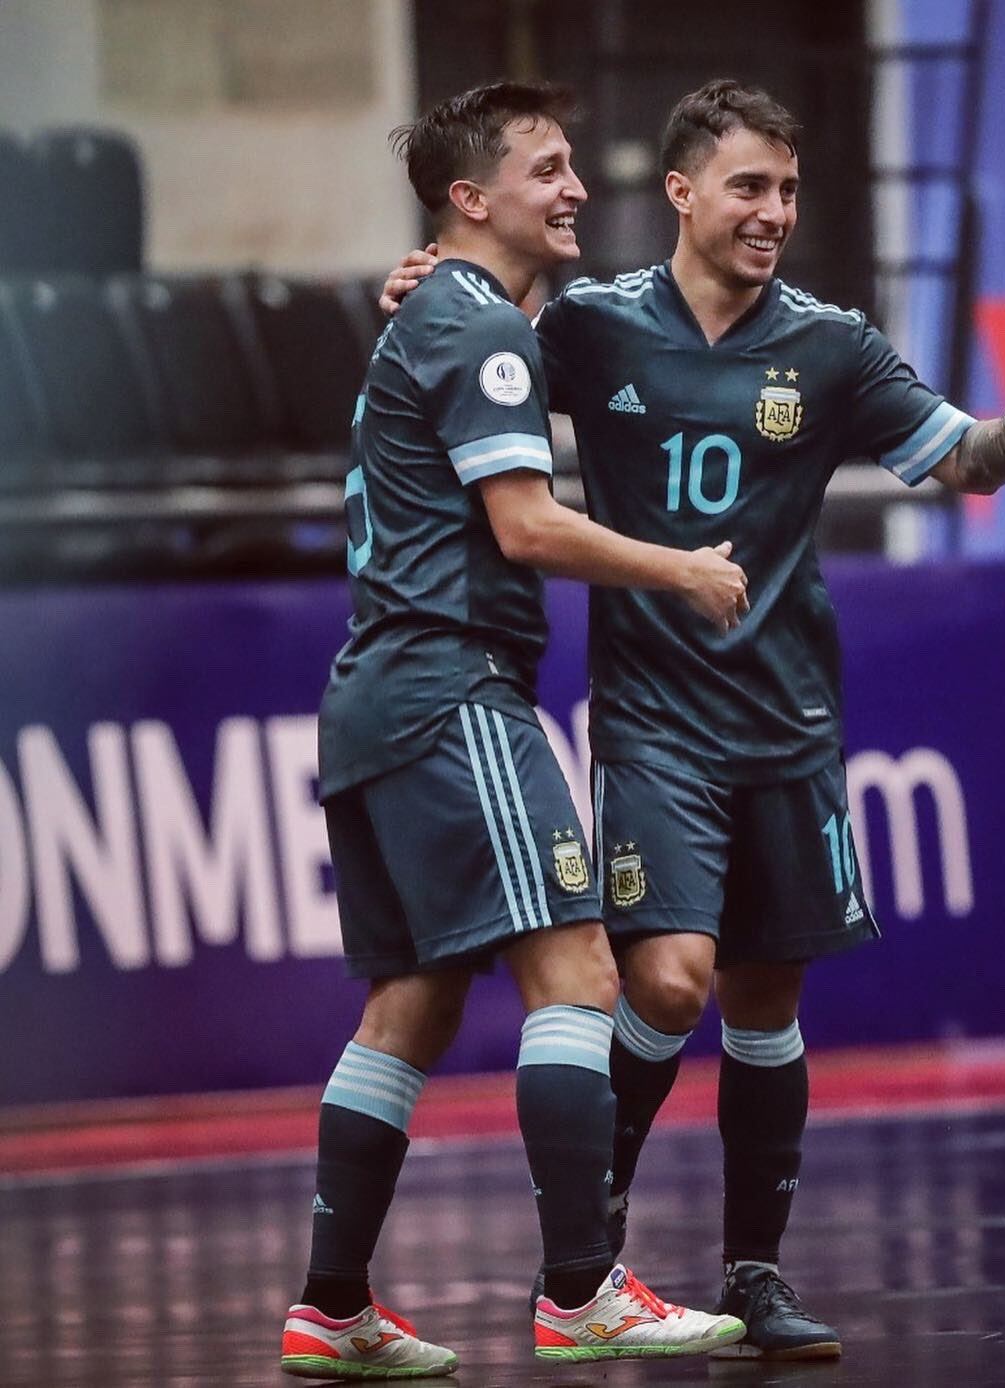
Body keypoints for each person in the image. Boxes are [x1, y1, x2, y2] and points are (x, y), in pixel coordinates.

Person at [379, 77, 1005, 1362]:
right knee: (666, 976)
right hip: (654, 716)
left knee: (767, 1003)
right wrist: (420, 282)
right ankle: (588, 1243)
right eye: (748, 188)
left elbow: (961, 462)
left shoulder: (830, 343)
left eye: (787, 189)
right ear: (680, 193)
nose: (774, 211)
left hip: (790, 717)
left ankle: (756, 1270)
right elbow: (470, 356)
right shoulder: (593, 326)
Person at [280, 82, 751, 1380]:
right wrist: (684, 569)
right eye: (545, 169)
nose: (575, 188)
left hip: (374, 694)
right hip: (451, 688)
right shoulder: (477, 327)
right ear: (468, 199)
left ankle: (329, 1308)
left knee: (411, 1010)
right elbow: (527, 530)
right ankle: (579, 1293)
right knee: (580, 972)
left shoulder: (452, 312)